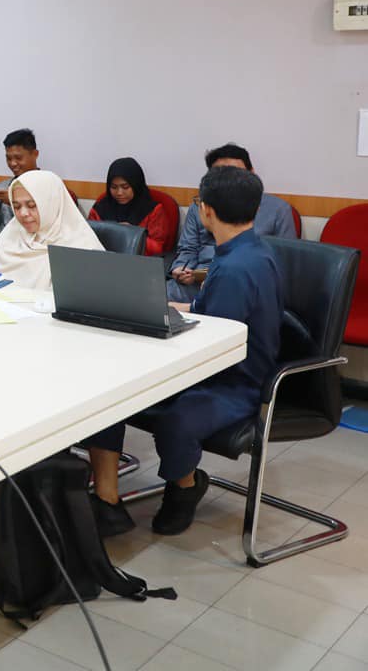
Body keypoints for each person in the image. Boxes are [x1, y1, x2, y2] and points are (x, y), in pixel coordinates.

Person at [86, 166, 284, 537]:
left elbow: (213, 340)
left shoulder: (236, 268)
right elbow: (209, 312)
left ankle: (185, 487)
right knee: (110, 394)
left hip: (236, 381)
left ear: (205, 210)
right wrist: (166, 308)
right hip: (223, 364)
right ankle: (106, 497)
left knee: (175, 421)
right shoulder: (247, 251)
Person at [170, 143, 297, 302]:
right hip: (195, 284)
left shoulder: (278, 210)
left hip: (244, 285)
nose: (228, 182)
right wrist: (181, 268)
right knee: (156, 300)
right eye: (220, 175)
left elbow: (284, 262)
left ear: (251, 174)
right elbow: (188, 247)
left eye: (235, 174)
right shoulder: (200, 205)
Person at [0, 169, 101, 289]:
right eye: (17, 207)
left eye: (32, 206)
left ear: (52, 204)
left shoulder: (83, 247)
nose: (23, 213)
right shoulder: (12, 233)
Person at [88, 157, 176, 256]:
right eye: (114, 187)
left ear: (136, 185)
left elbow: (157, 248)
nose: (119, 193)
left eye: (125, 187)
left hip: (140, 262)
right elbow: (88, 240)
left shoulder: (153, 210)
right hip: (103, 259)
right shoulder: (100, 208)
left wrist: (132, 234)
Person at [0, 128, 41, 206]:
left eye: (18, 158)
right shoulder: (2, 187)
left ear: (35, 154)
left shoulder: (48, 185)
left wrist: (13, 201)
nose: (12, 163)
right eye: (9, 158)